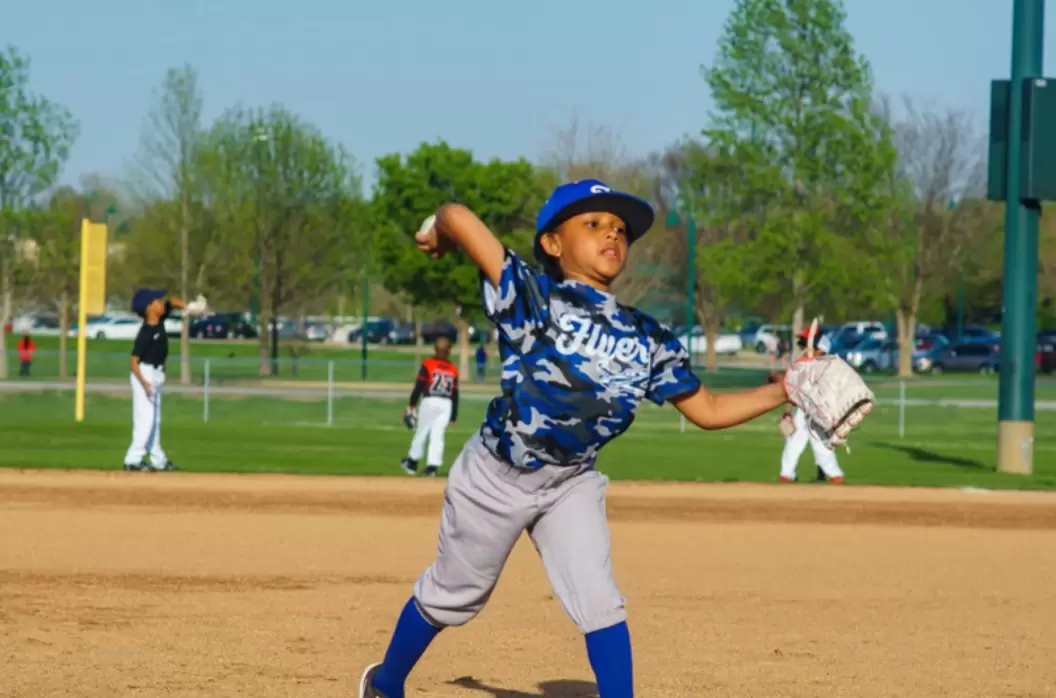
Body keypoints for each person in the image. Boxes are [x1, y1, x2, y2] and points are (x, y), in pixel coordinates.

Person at [357, 179, 795, 698]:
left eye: (620, 229)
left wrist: (785, 389)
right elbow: (459, 214)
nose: (612, 233)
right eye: (592, 223)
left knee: (599, 600)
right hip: (496, 476)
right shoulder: (532, 296)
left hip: (570, 483)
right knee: (455, 594)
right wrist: (440, 232)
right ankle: (385, 684)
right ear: (552, 243)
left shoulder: (647, 337)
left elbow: (709, 409)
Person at [123, 289, 206, 472]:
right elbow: (133, 361)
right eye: (156, 301)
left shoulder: (159, 319)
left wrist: (188, 306)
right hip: (144, 373)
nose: (161, 303)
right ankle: (133, 459)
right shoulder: (146, 332)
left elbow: (171, 302)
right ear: (149, 308)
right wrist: (144, 382)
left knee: (155, 419)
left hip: (156, 373)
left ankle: (158, 460)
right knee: (146, 418)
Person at [778, 328, 845, 484]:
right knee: (794, 441)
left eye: (807, 345)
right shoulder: (804, 363)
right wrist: (788, 413)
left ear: (820, 348)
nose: (803, 348)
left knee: (820, 445)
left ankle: (835, 475)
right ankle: (786, 475)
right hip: (803, 410)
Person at [400, 336, 459, 477]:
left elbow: (419, 385)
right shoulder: (453, 368)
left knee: (422, 431)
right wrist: (453, 415)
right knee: (438, 435)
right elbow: (455, 393)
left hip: (430, 400)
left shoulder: (428, 364)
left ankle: (412, 462)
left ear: (435, 349)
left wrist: (412, 403)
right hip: (446, 404)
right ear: (449, 351)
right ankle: (433, 466)